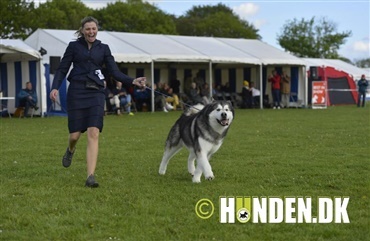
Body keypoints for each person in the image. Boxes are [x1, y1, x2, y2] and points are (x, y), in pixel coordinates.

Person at [49, 16, 146, 188]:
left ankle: (90, 176)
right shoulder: (73, 47)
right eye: (88, 29)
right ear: (82, 30)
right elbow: (63, 68)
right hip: (77, 91)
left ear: (97, 30)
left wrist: (132, 81)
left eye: (93, 28)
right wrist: (55, 87)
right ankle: (71, 149)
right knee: (74, 135)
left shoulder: (104, 48)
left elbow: (115, 72)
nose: (91, 32)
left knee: (94, 132)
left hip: (96, 92)